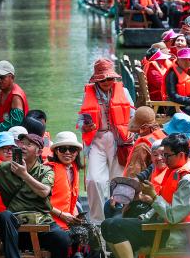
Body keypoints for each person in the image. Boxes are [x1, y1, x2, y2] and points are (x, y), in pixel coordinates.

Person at [99, 134, 190, 258]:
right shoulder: (177, 169)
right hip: (162, 224)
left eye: (167, 155)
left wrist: (154, 197)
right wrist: (147, 204)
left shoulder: (189, 181)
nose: (163, 159)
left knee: (112, 227)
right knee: (108, 225)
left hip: (174, 233)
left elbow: (173, 217)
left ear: (181, 154)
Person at [78, 58, 134, 221]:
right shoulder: (87, 94)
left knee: (118, 180)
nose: (107, 82)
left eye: (110, 78)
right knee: (93, 180)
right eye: (103, 79)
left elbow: (133, 115)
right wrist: (85, 126)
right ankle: (97, 220)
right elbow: (80, 121)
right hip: (97, 140)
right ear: (96, 80)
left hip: (120, 141)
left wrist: (131, 132)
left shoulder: (124, 92)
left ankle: (119, 218)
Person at [47, 131, 84, 230]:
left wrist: (75, 215)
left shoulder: (73, 169)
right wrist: (61, 215)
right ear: (56, 151)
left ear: (77, 152)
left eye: (72, 149)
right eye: (63, 149)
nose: (67, 152)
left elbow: (71, 198)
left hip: (68, 221)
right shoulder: (48, 170)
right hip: (49, 222)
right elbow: (39, 203)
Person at [0, 60, 28, 138]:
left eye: (2, 77)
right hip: (7, 134)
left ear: (12, 77)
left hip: (17, 137)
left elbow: (16, 121)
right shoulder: (3, 91)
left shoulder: (15, 96)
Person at [121, 106, 166, 178]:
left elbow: (133, 175)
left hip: (149, 183)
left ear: (142, 128)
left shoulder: (141, 147)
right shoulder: (161, 136)